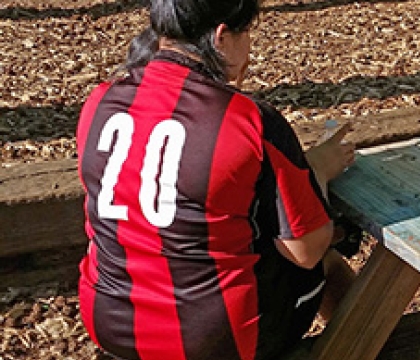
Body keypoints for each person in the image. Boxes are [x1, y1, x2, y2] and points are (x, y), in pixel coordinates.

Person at [75, 0, 356, 359]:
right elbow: (305, 250)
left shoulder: (99, 101)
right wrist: (317, 169)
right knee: (327, 262)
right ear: (221, 36)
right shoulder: (250, 120)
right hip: (213, 340)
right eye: (247, 33)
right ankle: (372, 343)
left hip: (108, 321)